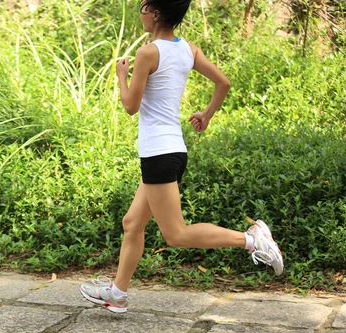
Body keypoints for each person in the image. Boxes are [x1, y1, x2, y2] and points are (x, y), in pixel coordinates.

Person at [79, 0, 283, 313]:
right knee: (132, 223)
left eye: (143, 8)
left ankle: (253, 240)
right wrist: (207, 114)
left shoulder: (148, 53)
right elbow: (223, 83)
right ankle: (117, 293)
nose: (141, 14)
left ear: (155, 13)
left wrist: (121, 74)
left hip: (159, 154)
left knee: (176, 234)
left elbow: (130, 106)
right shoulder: (190, 49)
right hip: (172, 150)